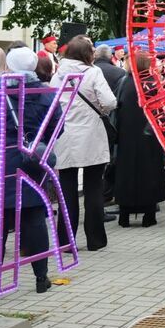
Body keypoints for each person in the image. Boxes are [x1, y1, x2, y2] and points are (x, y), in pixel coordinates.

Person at [0, 47, 61, 292]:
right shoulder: (45, 94)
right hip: (31, 163)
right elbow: (57, 127)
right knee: (34, 219)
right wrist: (37, 141)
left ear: (9, 67)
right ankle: (41, 277)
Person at [52, 35, 118, 251]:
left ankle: (65, 241)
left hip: (65, 135)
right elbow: (109, 101)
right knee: (93, 188)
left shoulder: (58, 73)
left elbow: (52, 101)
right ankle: (95, 240)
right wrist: (102, 110)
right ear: (87, 54)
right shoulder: (93, 72)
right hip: (91, 133)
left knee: (67, 190)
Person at [113, 51, 165, 228]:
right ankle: (149, 215)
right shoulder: (153, 84)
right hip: (150, 137)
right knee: (149, 173)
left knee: (126, 174)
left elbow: (116, 107)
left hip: (126, 136)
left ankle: (124, 215)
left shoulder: (124, 82)